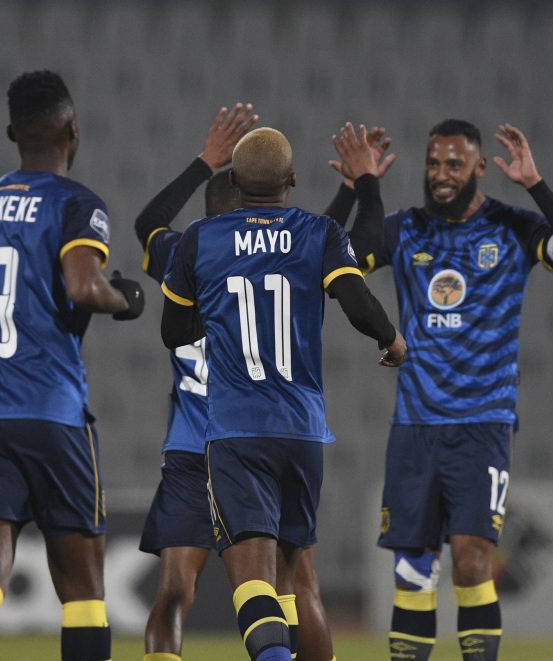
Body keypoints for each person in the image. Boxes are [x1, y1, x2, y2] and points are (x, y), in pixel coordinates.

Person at [137, 107, 392, 661]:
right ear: (288, 185)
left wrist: (204, 158)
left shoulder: (190, 248)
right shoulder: (305, 242)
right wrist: (357, 186)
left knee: (177, 589)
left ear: (226, 187)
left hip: (197, 442)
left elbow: (147, 223)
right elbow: (359, 243)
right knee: (297, 584)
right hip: (285, 430)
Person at [0, 70, 144, 661]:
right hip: (51, 415)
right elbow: (85, 286)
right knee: (84, 590)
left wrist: (0, 310)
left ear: (12, 131)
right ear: (73, 129)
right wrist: (126, 298)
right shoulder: (77, 204)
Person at [348, 120, 553, 661]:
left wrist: (535, 183)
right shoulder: (405, 227)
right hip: (415, 426)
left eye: (453, 165)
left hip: (482, 423)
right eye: (433, 164)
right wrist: (365, 184)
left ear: (479, 168)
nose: (440, 175)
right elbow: (353, 256)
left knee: (472, 558)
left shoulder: (513, 227)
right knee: (412, 568)